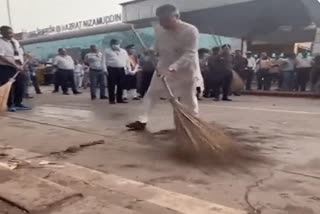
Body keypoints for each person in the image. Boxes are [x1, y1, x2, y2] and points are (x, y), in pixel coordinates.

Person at [126, 4, 200, 131]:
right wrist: (152, 50)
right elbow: (158, 44)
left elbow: (190, 53)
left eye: (166, 19)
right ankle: (142, 120)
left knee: (188, 97)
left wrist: (173, 67)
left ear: (177, 16)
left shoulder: (190, 30)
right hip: (163, 65)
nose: (163, 23)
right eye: (160, 19)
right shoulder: (159, 29)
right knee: (151, 93)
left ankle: (193, 121)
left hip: (185, 69)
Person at [0, 26, 31, 112]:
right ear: (2, 33)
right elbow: (1, 57)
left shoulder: (15, 42)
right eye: (8, 33)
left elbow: (19, 53)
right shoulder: (0, 42)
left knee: (21, 83)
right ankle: (10, 104)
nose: (11, 34)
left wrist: (25, 58)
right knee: (8, 85)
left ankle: (18, 103)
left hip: (17, 67)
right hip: (5, 67)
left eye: (11, 32)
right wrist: (14, 64)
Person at [103, 39, 131, 104]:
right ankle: (112, 99)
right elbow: (103, 61)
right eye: (114, 43)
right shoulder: (107, 51)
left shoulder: (123, 51)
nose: (115, 45)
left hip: (121, 69)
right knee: (111, 85)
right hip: (111, 69)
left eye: (117, 43)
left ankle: (119, 99)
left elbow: (127, 60)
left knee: (121, 85)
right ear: (111, 44)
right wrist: (104, 69)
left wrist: (128, 68)